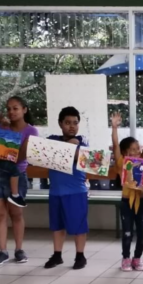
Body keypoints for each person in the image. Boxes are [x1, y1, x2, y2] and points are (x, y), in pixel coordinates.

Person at [0, 96, 40, 266]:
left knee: (16, 214)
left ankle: (19, 250)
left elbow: (20, 156)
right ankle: (2, 251)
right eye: (8, 109)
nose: (11, 112)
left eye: (15, 108)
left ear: (24, 109)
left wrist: (5, 139)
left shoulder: (31, 131)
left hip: (17, 175)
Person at [43, 107, 89, 270]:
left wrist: (68, 147)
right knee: (57, 225)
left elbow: (81, 157)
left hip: (76, 192)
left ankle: (80, 256)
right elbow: (45, 153)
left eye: (75, 123)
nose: (72, 126)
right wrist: (68, 145)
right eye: (68, 123)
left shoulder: (82, 141)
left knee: (79, 226)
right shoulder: (52, 139)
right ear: (60, 124)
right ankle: (57, 255)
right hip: (56, 191)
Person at [111, 111, 143, 271]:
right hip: (126, 203)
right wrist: (114, 127)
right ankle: (126, 258)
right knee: (127, 233)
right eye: (133, 149)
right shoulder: (121, 163)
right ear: (125, 152)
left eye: (138, 149)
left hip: (141, 202)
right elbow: (115, 146)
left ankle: (137, 258)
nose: (137, 152)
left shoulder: (142, 161)